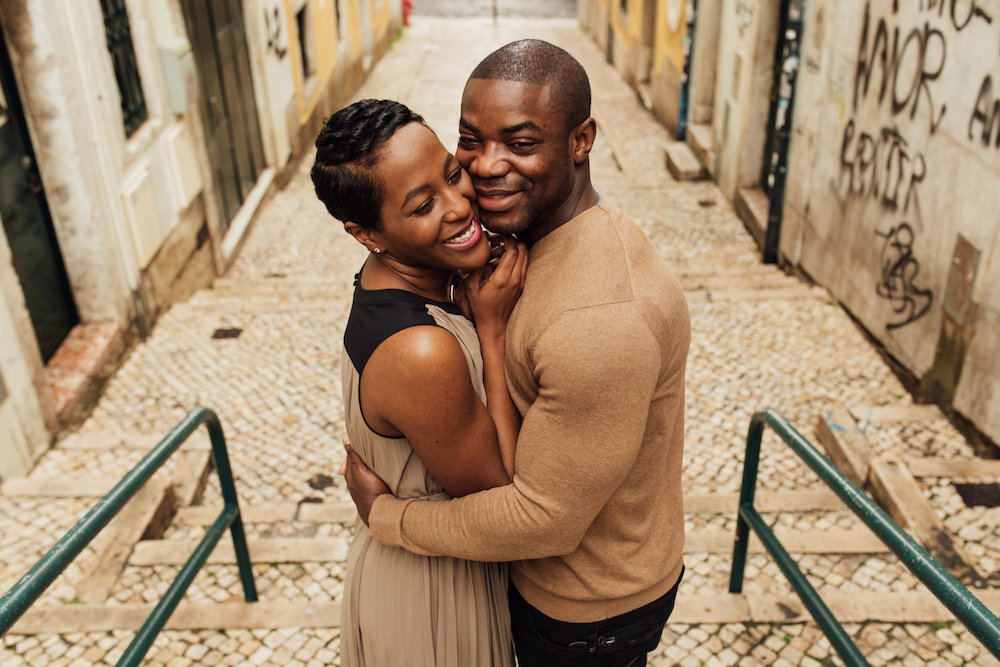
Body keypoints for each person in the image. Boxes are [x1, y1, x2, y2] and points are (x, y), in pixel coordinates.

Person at [343, 39, 691, 666]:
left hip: (583, 616)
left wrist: (389, 519)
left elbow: (541, 519)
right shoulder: (520, 240)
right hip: (537, 588)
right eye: (470, 141)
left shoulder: (600, 321)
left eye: (521, 145)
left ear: (581, 140)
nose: (484, 167)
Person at [312, 98, 527, 666]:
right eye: (423, 205)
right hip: (434, 599)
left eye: (452, 175)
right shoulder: (421, 349)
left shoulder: (396, 282)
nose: (459, 206)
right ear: (367, 235)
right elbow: (502, 502)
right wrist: (493, 327)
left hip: (427, 567)